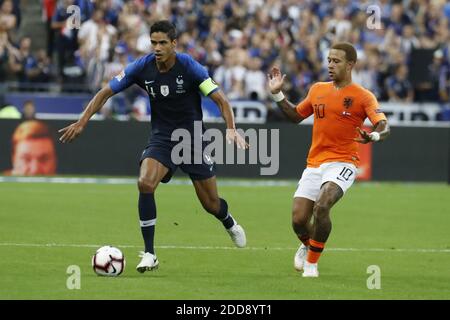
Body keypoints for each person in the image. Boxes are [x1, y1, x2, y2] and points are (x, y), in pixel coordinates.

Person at [59, 20, 248, 273]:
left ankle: (228, 221)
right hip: (162, 138)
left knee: (211, 204)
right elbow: (106, 92)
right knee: (145, 183)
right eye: (153, 43)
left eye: (162, 43)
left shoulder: (190, 67)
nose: (157, 48)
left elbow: (221, 100)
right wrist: (83, 121)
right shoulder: (142, 67)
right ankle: (149, 253)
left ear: (173, 44)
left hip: (192, 139)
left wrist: (232, 130)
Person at [267, 42, 390, 278]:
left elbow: (384, 125)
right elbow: (295, 116)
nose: (331, 65)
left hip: (344, 162)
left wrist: (374, 135)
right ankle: (307, 245)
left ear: (351, 64)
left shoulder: (363, 96)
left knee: (322, 205)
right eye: (329, 61)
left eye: (337, 61)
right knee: (298, 220)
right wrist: (277, 93)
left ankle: (312, 265)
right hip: (315, 163)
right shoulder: (317, 89)